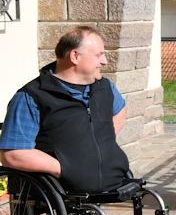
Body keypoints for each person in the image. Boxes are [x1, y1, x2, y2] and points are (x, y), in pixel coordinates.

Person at [0, 27, 128, 193]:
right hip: (65, 188)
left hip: (115, 179)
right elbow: (13, 154)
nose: (104, 61)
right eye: (99, 55)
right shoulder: (32, 97)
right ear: (75, 56)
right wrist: (65, 168)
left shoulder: (105, 87)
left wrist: (100, 141)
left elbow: (120, 110)